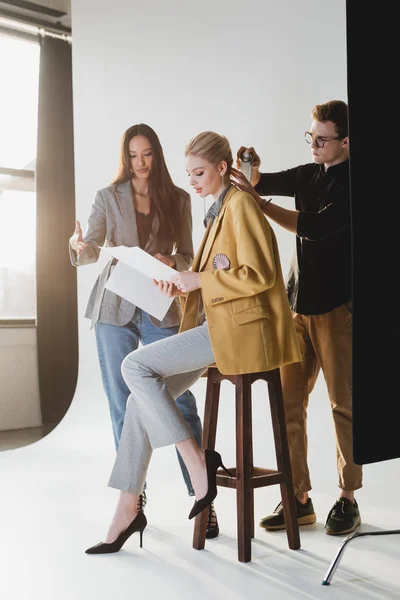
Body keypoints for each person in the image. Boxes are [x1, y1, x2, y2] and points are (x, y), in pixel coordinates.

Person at [84, 130, 302, 554]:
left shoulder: (241, 207)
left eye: (200, 172)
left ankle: (198, 464)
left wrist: (197, 278)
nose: (193, 182)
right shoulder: (219, 210)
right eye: (189, 174)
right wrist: (182, 285)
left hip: (238, 333)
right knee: (135, 401)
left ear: (223, 168)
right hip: (220, 327)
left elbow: (260, 276)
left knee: (134, 368)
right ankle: (128, 507)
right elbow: (218, 278)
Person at [69, 123, 219, 538]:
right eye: (133, 155)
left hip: (160, 308)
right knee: (122, 403)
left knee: (179, 397)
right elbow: (90, 249)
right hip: (114, 307)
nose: (140, 163)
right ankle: (133, 502)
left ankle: (202, 497)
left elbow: (190, 257)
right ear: (125, 156)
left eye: (147, 154)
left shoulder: (177, 198)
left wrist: (172, 262)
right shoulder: (107, 197)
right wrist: (78, 248)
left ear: (157, 154)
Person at [233, 100, 361, 536]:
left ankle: (348, 498)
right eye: (311, 136)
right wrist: (251, 170)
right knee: (288, 403)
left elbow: (315, 227)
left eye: (323, 139)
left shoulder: (354, 183)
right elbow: (261, 182)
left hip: (336, 307)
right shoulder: (308, 173)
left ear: (346, 141)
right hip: (296, 306)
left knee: (343, 405)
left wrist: (261, 203)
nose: (315, 145)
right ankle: (298, 497)